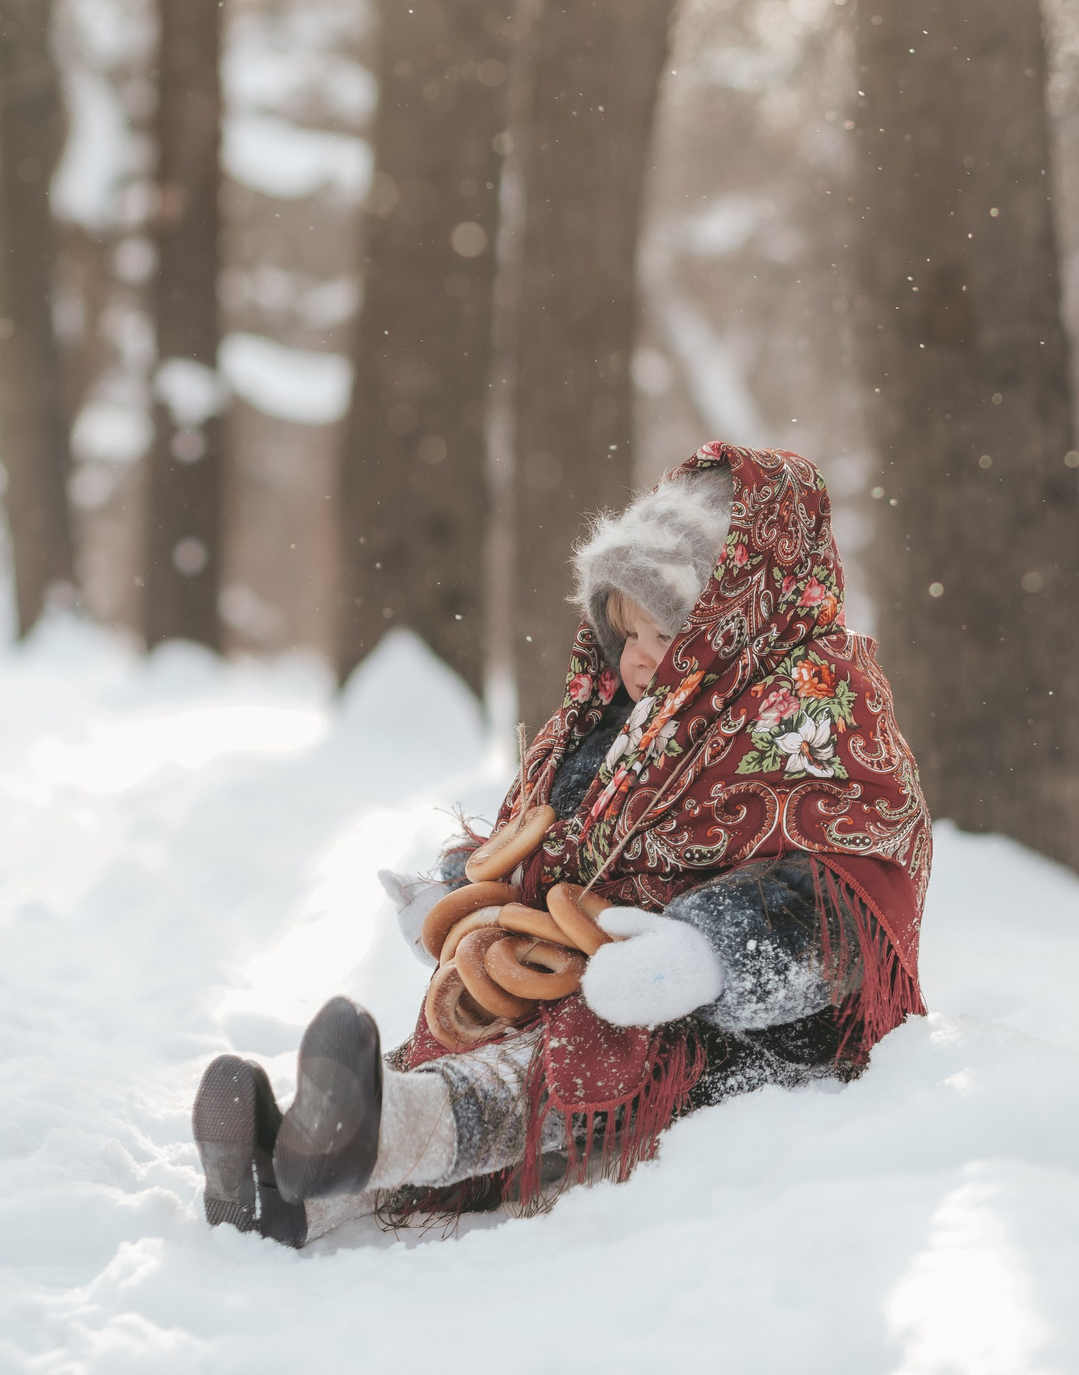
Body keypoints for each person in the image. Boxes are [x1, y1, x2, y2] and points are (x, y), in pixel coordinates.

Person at [192, 444, 932, 1244]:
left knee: (556, 1065)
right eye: (629, 629)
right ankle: (293, 1175)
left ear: (737, 621)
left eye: (668, 629)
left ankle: (386, 1128)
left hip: (729, 1033)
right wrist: (463, 890)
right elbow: (556, 839)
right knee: (480, 1028)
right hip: (572, 975)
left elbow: (854, 895)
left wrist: (705, 952)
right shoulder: (618, 719)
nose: (643, 656)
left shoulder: (818, 714)